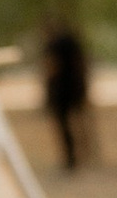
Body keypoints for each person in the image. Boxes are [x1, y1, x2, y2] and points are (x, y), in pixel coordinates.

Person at [39, 21, 93, 172]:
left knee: (66, 127)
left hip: (62, 92)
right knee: (78, 123)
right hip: (76, 90)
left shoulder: (54, 46)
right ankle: (84, 154)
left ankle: (72, 158)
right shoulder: (72, 44)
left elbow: (51, 67)